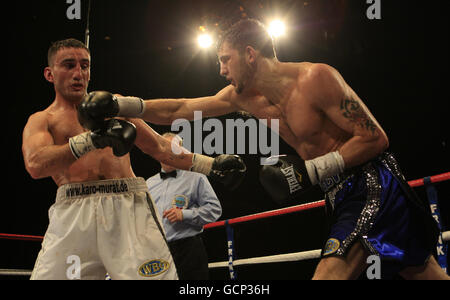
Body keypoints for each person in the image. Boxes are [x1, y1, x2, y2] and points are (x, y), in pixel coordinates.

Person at [77, 19, 449, 280]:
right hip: (338, 190)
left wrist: (312, 170)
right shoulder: (245, 98)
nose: (221, 70)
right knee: (422, 271)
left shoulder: (316, 78)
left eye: (225, 59)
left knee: (331, 271)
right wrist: (121, 105)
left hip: (372, 182)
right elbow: (180, 108)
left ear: (250, 53)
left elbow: (376, 139)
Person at [21, 38, 246, 280]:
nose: (78, 73)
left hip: (126, 205)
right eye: (68, 65)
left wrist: (211, 165)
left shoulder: (113, 107)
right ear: (49, 74)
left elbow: (160, 147)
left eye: (84, 66)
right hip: (74, 212)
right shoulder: (42, 120)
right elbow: (36, 164)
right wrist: (92, 141)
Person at [146, 132, 222, 280]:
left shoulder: (195, 176)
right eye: (164, 149)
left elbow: (214, 209)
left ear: (180, 151)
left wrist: (185, 214)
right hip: (158, 250)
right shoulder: (149, 183)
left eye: (172, 149)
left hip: (188, 249)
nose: (167, 154)